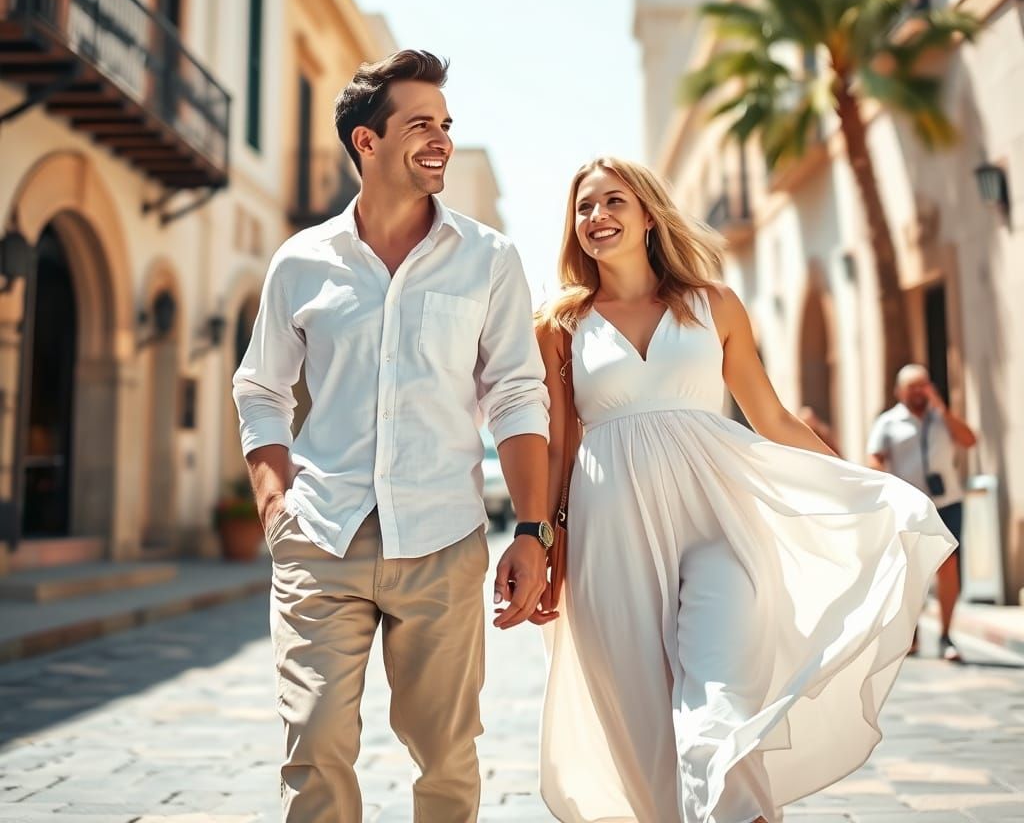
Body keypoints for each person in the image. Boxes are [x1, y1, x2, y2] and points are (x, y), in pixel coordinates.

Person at [535, 157, 956, 823]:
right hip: (609, 536)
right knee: (646, 740)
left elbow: (773, 417)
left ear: (648, 215)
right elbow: (560, 447)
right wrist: (544, 543)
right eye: (584, 207)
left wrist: (858, 488)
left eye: (613, 201)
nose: (597, 217)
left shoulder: (713, 304)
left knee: (720, 710)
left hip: (718, 523)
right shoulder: (560, 324)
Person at [232, 50, 551, 823]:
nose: (440, 140)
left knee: (446, 754)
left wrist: (533, 529)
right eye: (420, 125)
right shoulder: (302, 262)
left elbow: (516, 394)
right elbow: (261, 390)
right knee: (314, 746)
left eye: (445, 124)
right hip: (322, 537)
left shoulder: (489, 260)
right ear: (367, 142)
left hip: (442, 538)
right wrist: (275, 510)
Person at [867, 364, 977, 662]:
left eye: (923, 384)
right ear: (898, 391)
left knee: (949, 565)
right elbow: (874, 459)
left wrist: (943, 410)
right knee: (911, 569)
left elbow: (969, 440)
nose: (918, 391)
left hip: (947, 502)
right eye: (911, 386)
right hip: (910, 507)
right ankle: (911, 634)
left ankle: (946, 635)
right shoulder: (888, 422)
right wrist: (885, 486)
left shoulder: (943, 418)